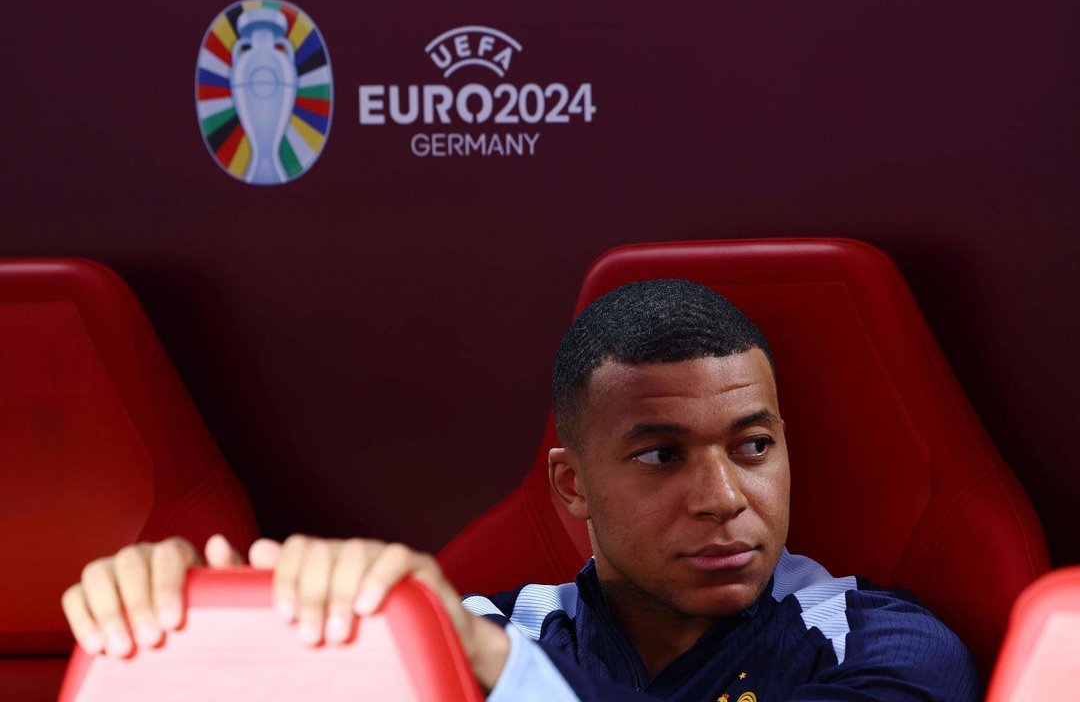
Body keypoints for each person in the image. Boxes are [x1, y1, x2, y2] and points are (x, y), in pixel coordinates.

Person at [61, 279, 980, 700]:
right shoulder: (481, 631)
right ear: (572, 486)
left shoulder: (890, 646)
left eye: (752, 445)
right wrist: (186, 643)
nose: (723, 496)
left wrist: (501, 680)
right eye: (662, 455)